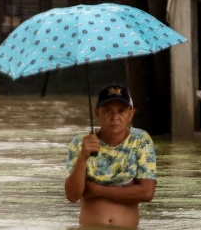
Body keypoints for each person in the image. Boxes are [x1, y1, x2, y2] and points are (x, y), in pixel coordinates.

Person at [64, 83, 157, 228]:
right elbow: (72, 196)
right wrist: (83, 157)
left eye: (122, 110)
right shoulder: (81, 142)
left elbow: (147, 193)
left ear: (131, 114)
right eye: (108, 110)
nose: (115, 117)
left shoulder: (140, 140)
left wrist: (98, 190)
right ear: (97, 113)